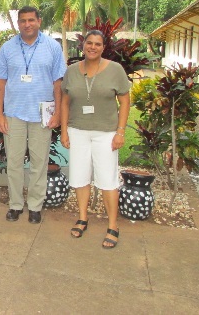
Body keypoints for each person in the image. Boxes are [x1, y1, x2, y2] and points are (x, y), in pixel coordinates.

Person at [0, 6, 66, 224]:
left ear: (39, 21)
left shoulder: (53, 47)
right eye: (23, 20)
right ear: (18, 23)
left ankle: (35, 206)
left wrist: (58, 114)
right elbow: (0, 83)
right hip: (14, 113)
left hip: (42, 115)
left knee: (39, 162)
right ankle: (15, 204)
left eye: (31, 20)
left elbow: (58, 84)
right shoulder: (7, 48)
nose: (27, 24)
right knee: (14, 162)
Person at [60, 29, 130, 249]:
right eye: (89, 43)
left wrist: (120, 131)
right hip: (78, 131)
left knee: (107, 180)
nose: (92, 47)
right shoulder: (72, 71)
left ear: (103, 47)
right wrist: (64, 131)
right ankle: (82, 217)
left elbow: (125, 101)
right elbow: (64, 102)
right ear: (83, 46)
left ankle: (112, 225)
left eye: (97, 44)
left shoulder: (115, 70)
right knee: (80, 177)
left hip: (106, 133)